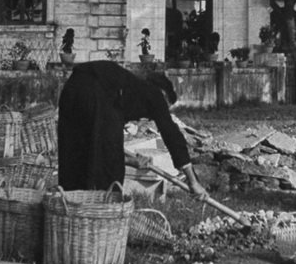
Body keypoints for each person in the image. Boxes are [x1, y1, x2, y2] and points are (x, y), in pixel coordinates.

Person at [58, 59, 206, 199]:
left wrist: (131, 161)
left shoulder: (126, 90)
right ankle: (107, 211)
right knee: (110, 171)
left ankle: (67, 203)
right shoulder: (155, 93)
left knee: (74, 151)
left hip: (71, 87)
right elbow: (171, 134)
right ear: (164, 95)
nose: (157, 114)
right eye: (165, 107)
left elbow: (102, 142)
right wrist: (193, 181)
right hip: (95, 90)